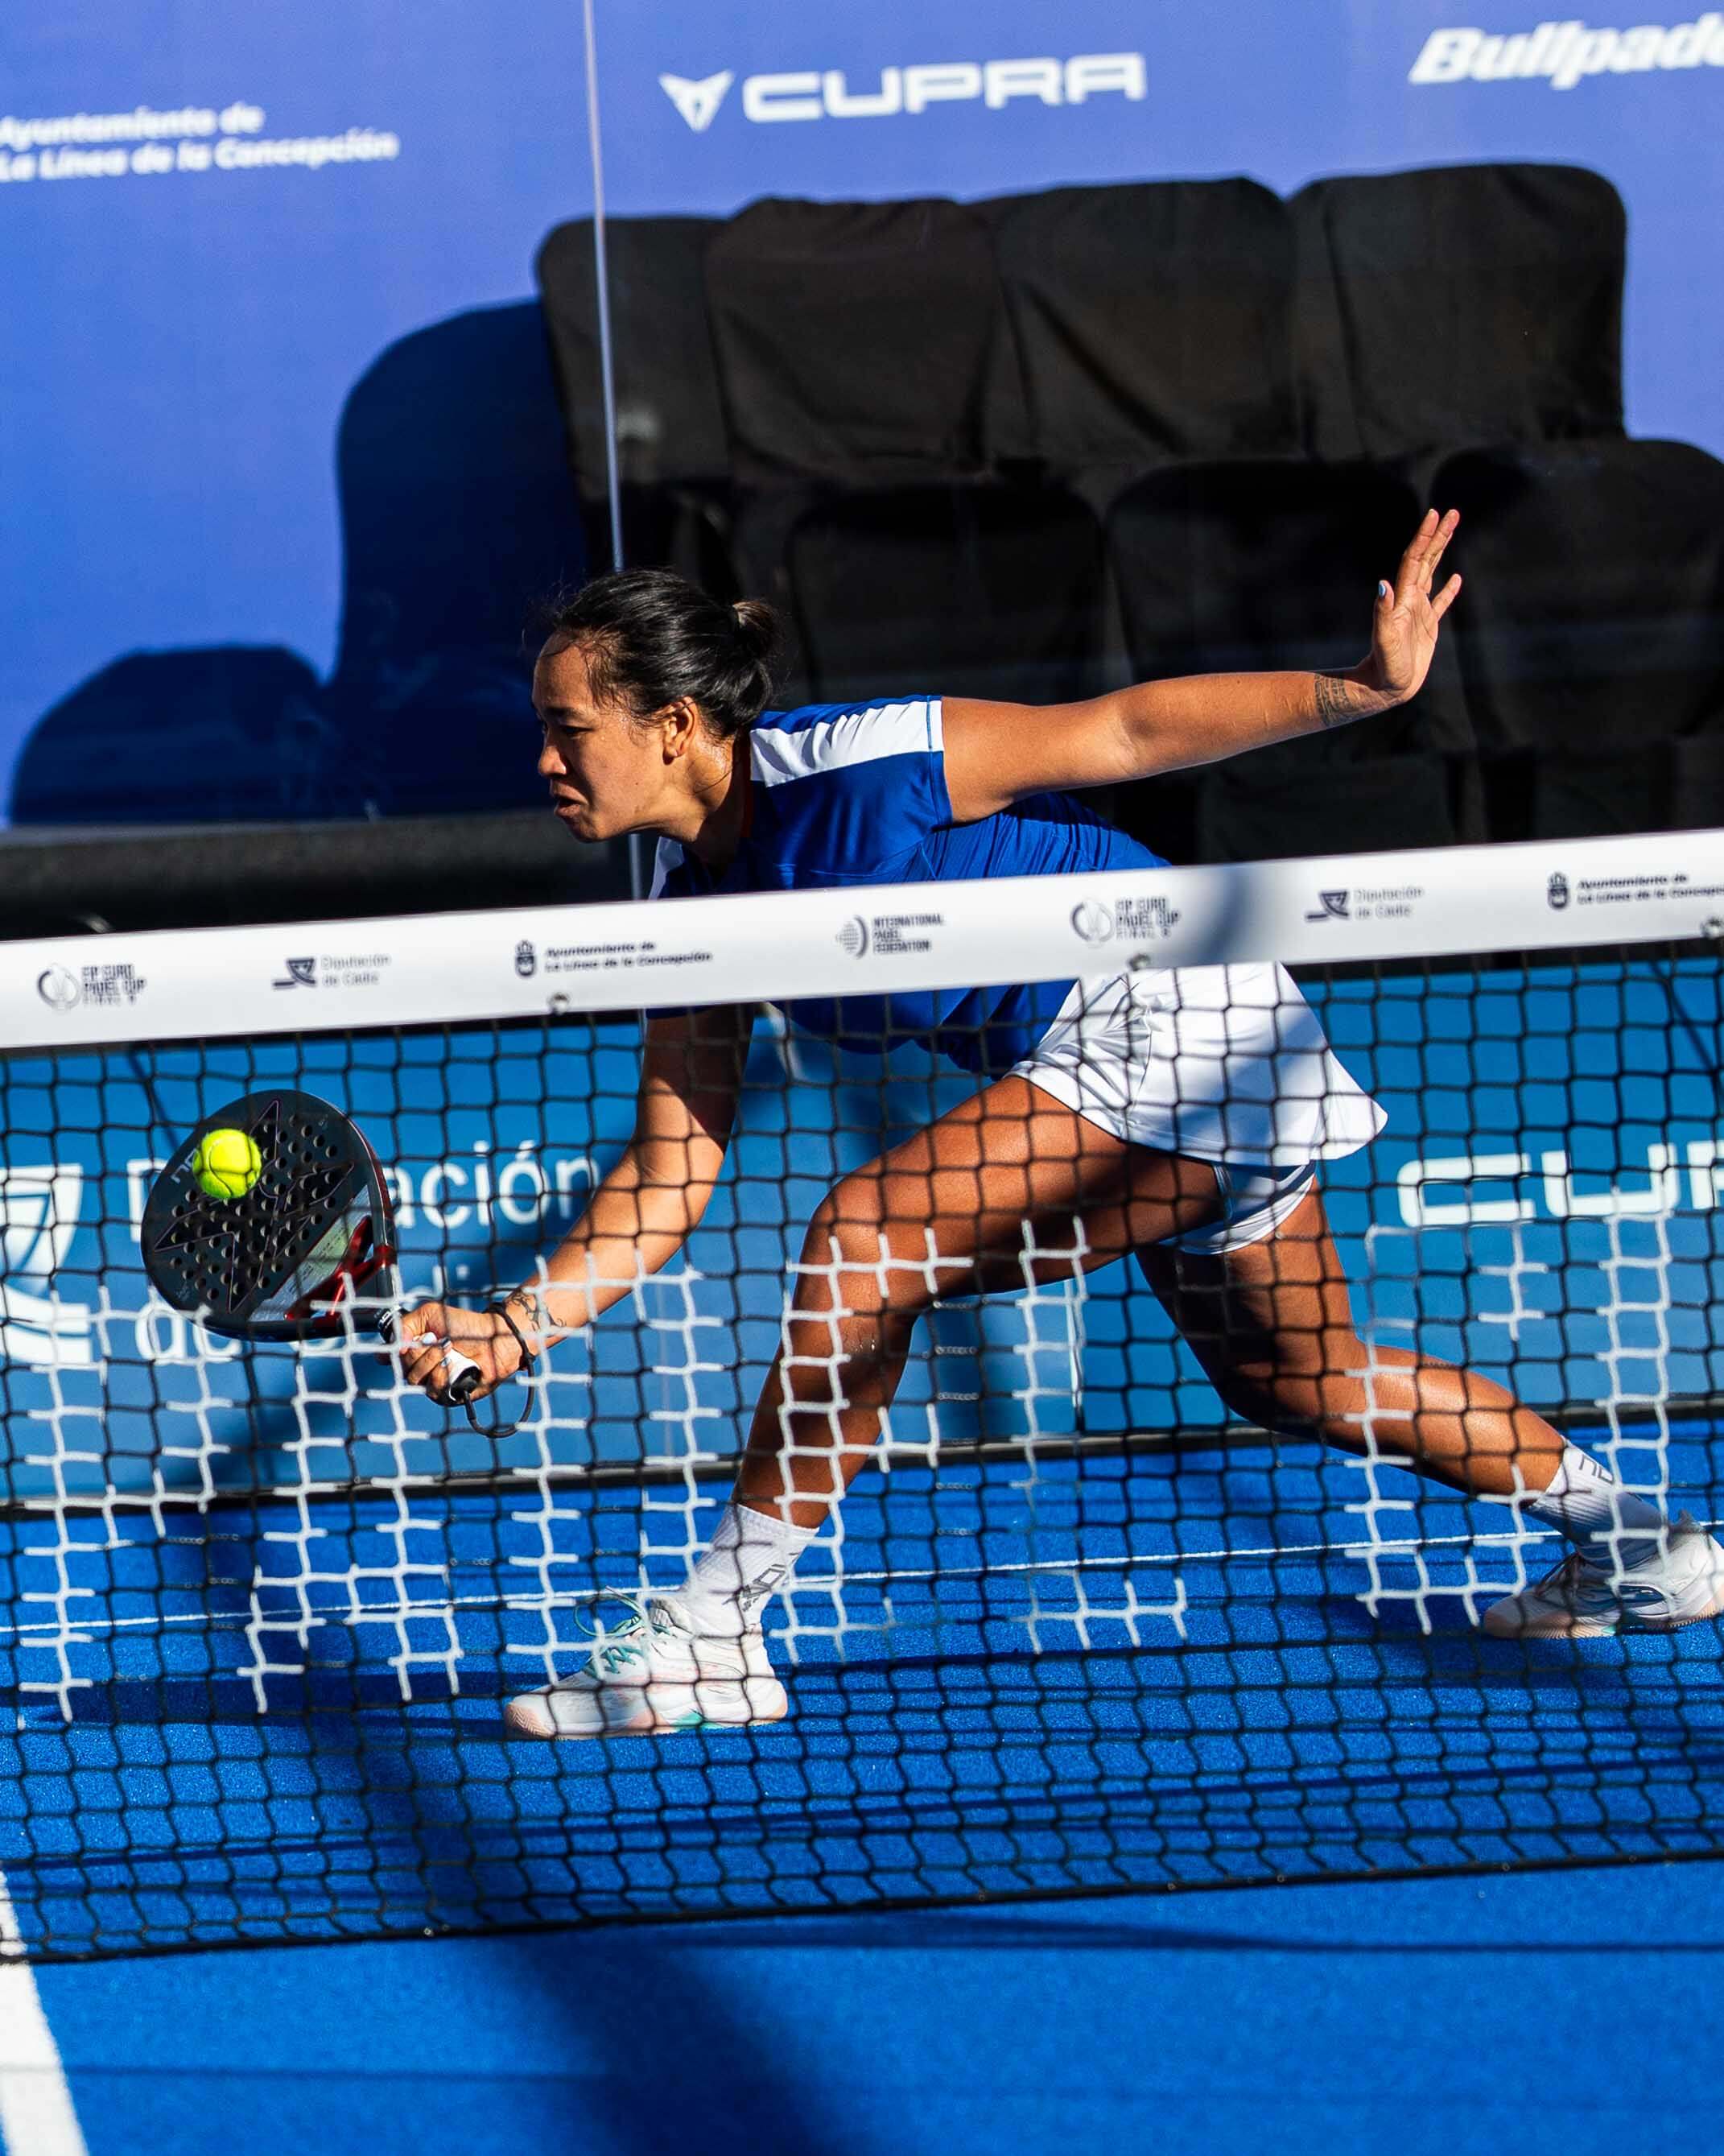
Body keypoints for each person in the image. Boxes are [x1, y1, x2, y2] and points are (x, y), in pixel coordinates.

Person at [400, 512, 1724, 1739]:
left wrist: (1357, 691)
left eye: (569, 729)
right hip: (1123, 1065)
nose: (545, 762)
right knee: (1297, 1379)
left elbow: (1125, 731)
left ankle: (713, 1631)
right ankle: (1645, 1543)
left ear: (675, 724)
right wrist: (516, 1323)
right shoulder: (692, 917)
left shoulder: (867, 765)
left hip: (1175, 1007)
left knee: (866, 1238)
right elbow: (668, 1171)